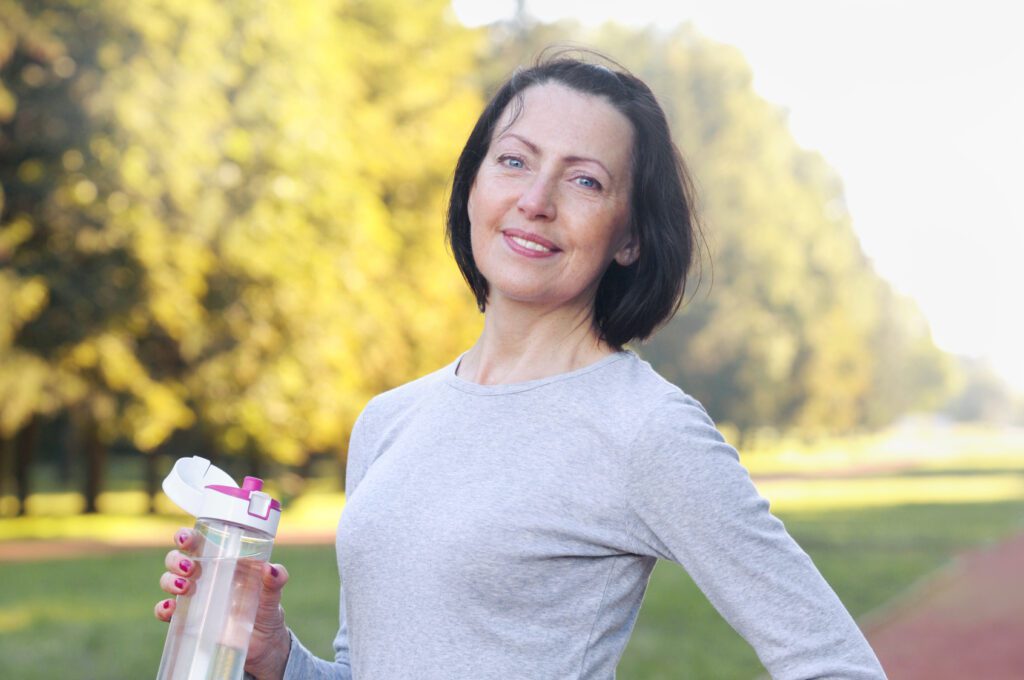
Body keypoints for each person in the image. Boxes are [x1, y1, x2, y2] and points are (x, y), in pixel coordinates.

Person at [155, 52, 887, 679]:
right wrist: (274, 653)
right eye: (514, 161)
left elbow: (833, 662)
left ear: (628, 237)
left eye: (585, 181)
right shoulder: (389, 420)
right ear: (474, 185)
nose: (534, 201)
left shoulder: (645, 431)